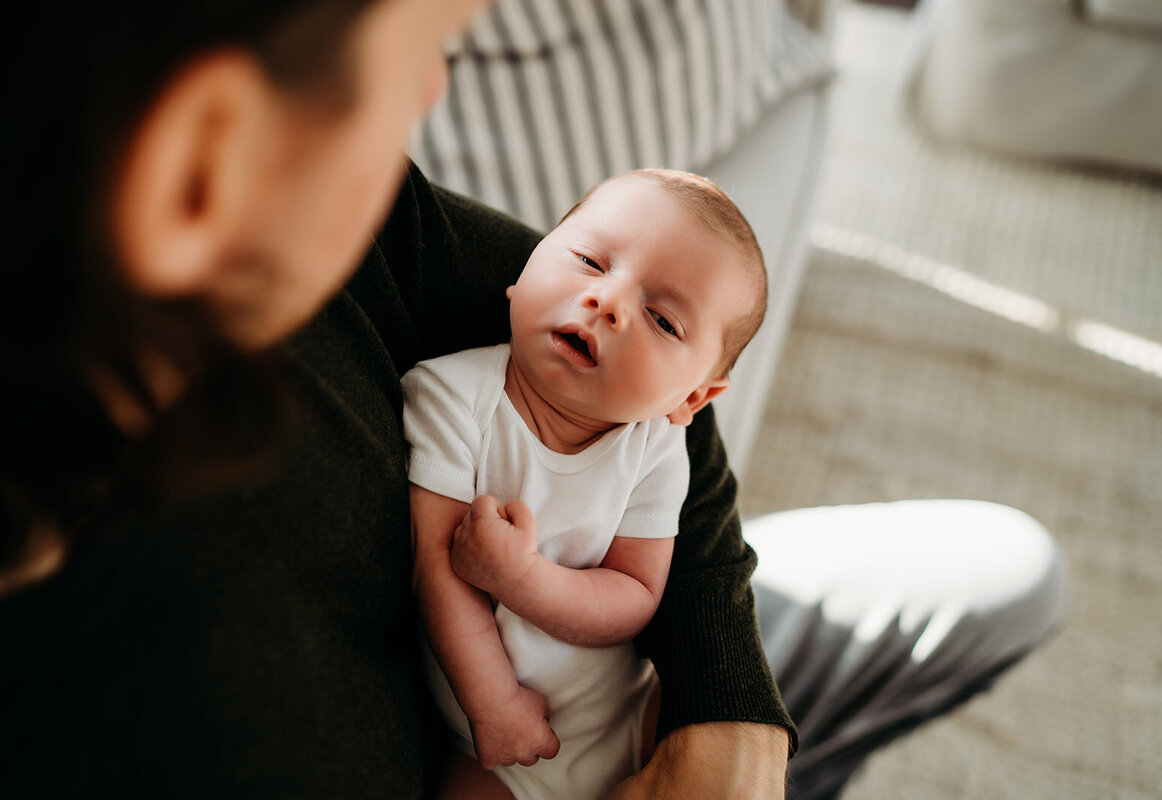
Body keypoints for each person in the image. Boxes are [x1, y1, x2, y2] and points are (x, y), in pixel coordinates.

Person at [0, 1, 793, 797]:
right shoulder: (150, 716)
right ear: (207, 156)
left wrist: (731, 711)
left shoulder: (332, 240)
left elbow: (658, 398)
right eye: (431, 49)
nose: (435, 89)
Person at [404, 168, 768, 800]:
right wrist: (493, 704)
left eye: (662, 320)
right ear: (522, 272)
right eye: (589, 261)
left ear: (693, 398)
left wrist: (523, 581)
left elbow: (635, 594)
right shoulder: (451, 396)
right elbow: (435, 567)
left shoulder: (656, 446)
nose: (610, 301)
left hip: (632, 718)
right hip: (494, 744)